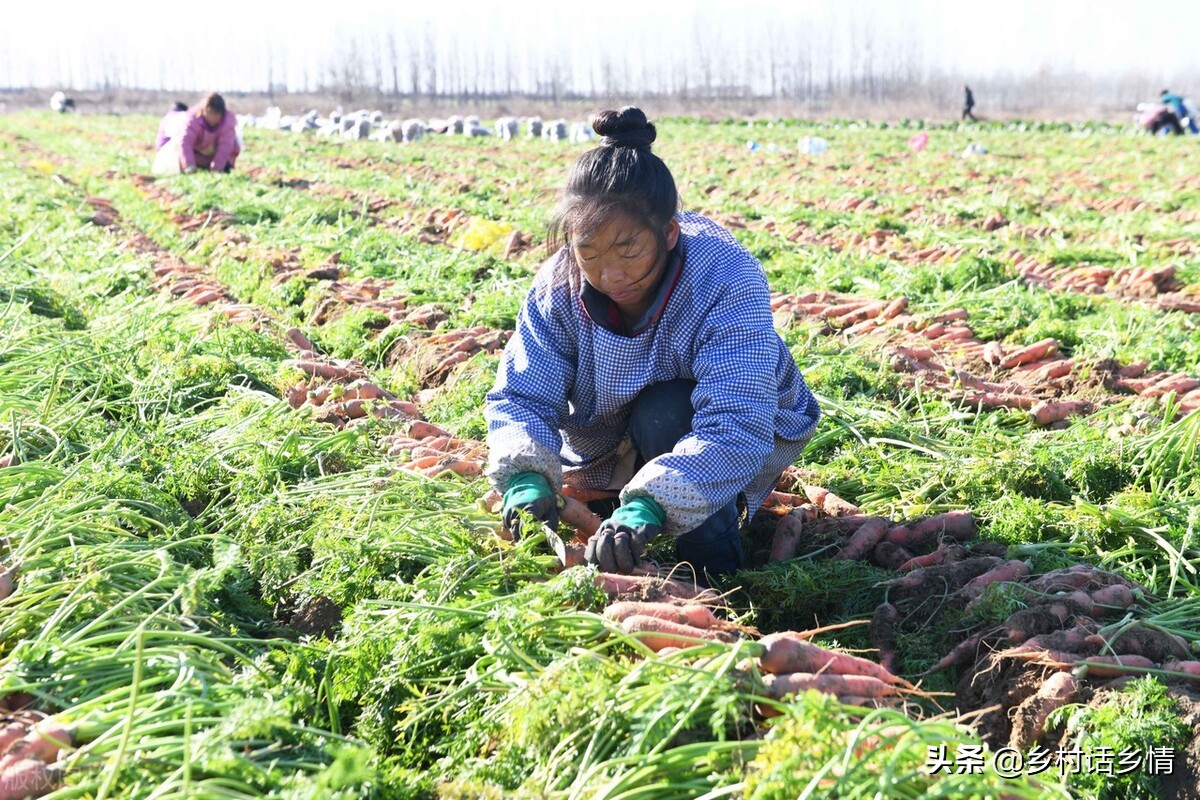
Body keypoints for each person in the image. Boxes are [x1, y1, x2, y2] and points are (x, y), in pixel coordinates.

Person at [485, 106, 821, 581]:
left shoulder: (723, 276)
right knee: (609, 465)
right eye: (589, 253)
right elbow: (522, 394)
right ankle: (620, 511)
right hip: (605, 434)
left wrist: (650, 506)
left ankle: (714, 570)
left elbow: (737, 418)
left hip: (728, 427)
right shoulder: (557, 285)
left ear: (667, 233)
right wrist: (523, 472)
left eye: (628, 251)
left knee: (665, 411)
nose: (610, 275)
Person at [152, 93, 240, 176]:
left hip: (214, 154)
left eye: (216, 114)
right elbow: (186, 143)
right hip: (197, 153)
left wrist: (217, 168)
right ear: (204, 110)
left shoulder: (227, 123)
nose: (213, 118)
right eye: (210, 113)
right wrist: (189, 165)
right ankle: (193, 166)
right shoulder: (193, 119)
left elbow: (224, 148)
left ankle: (220, 167)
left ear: (221, 114)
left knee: (230, 151)